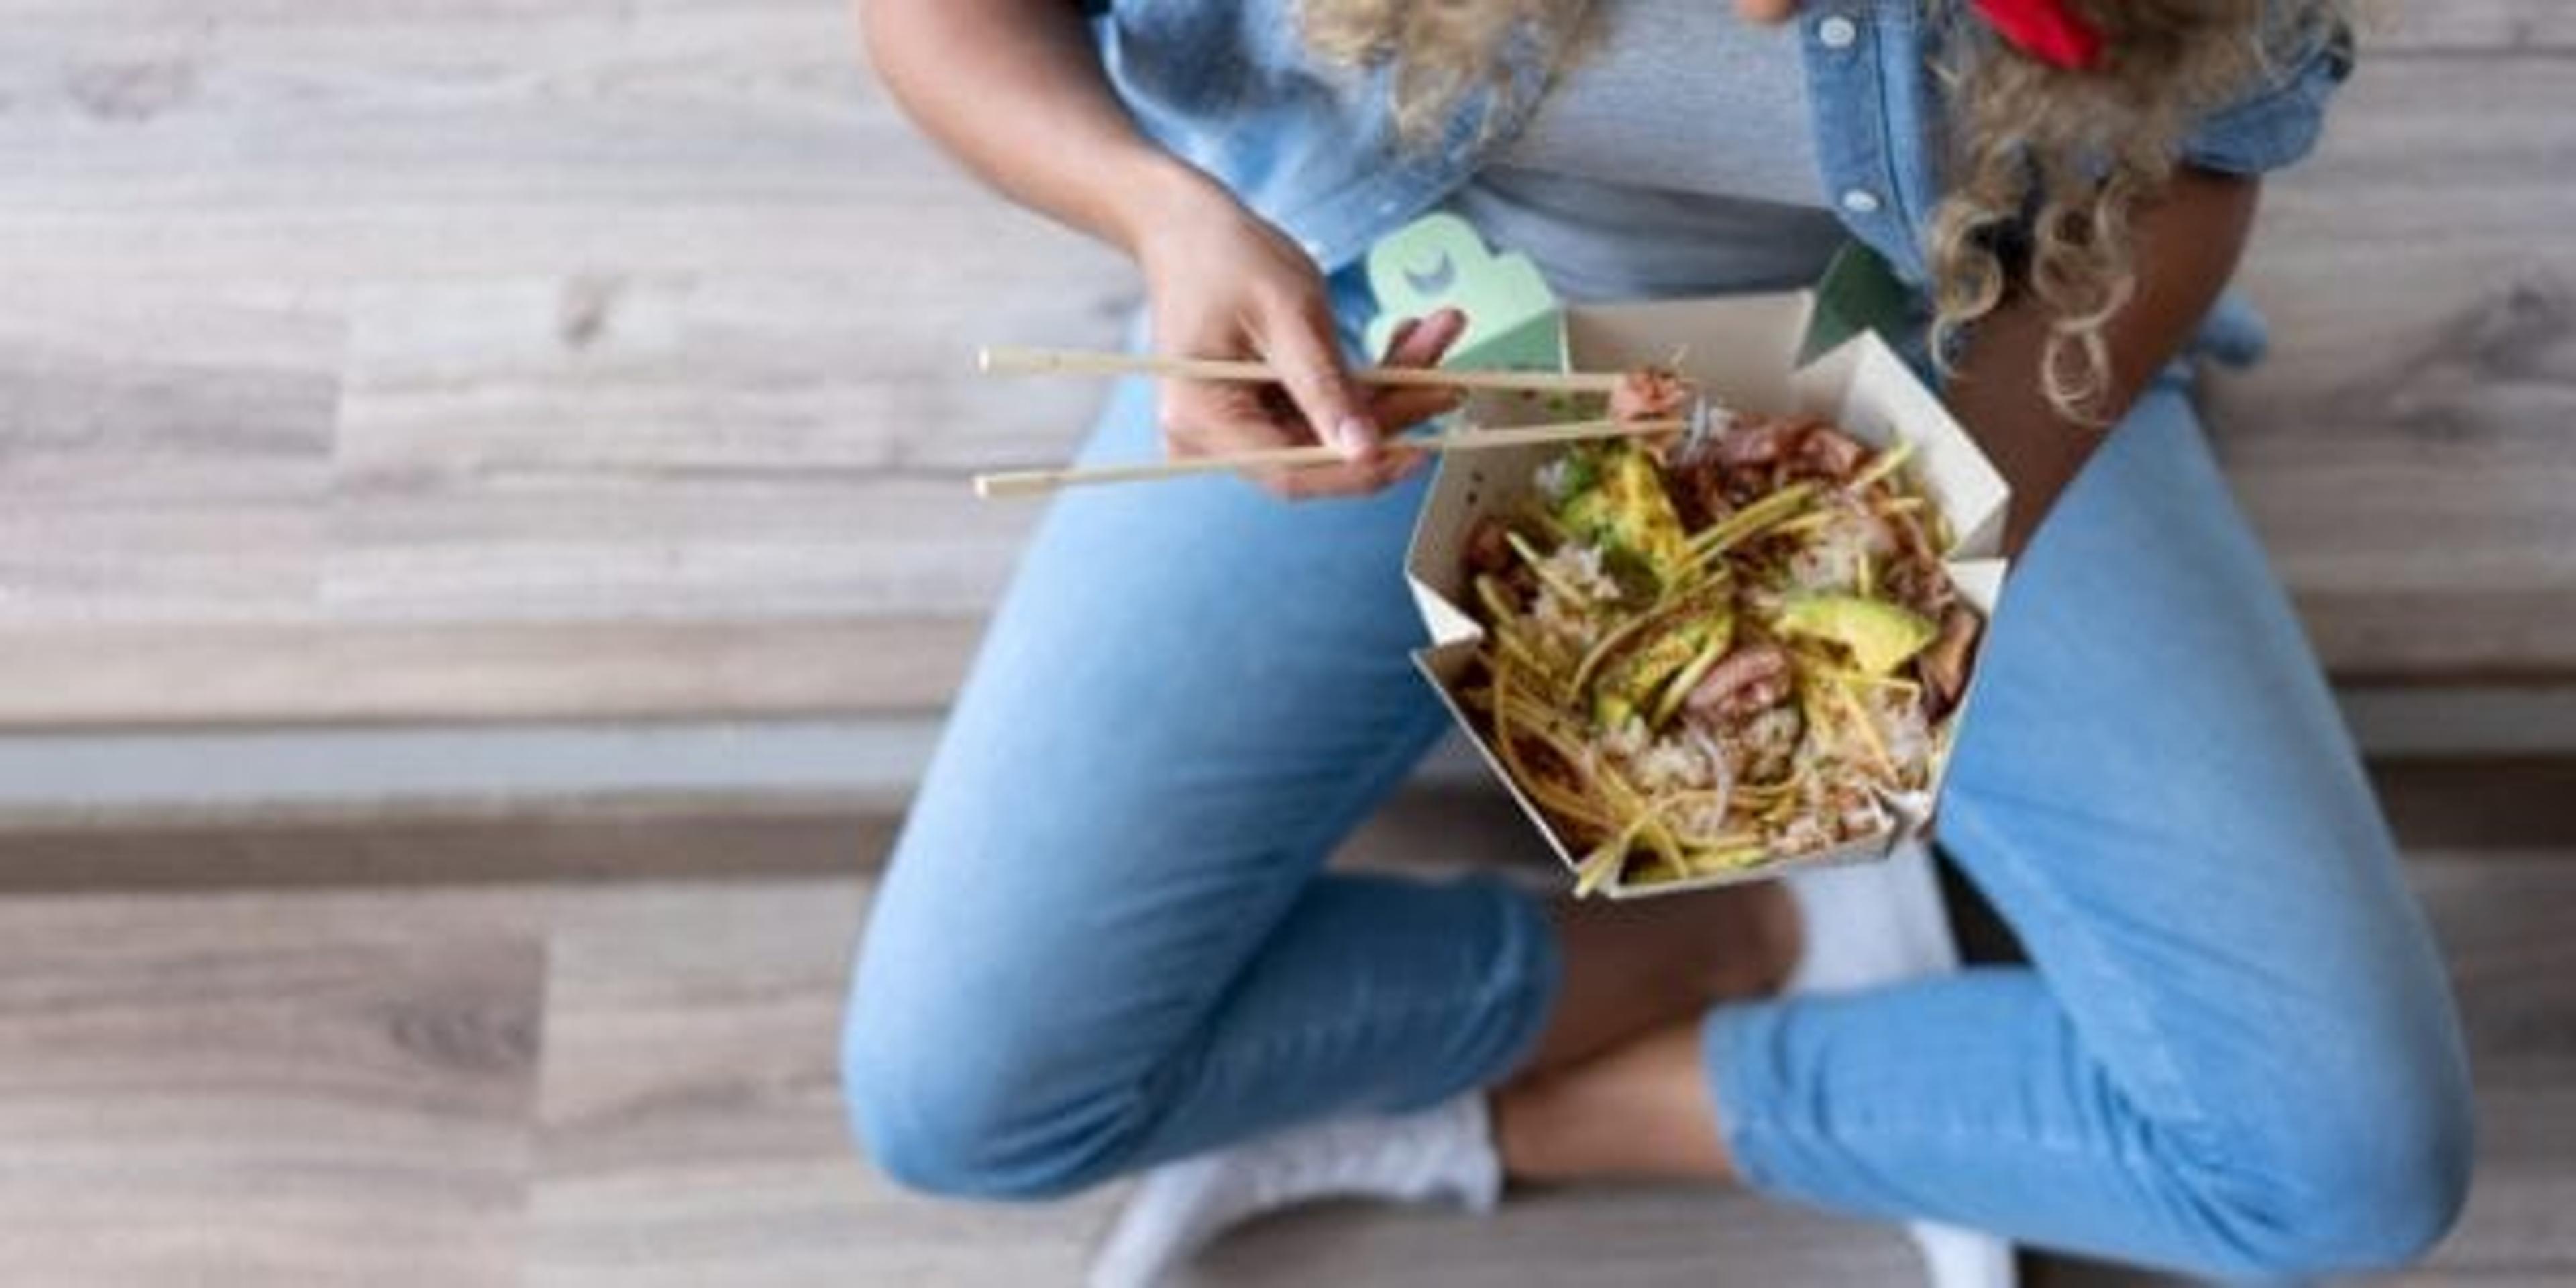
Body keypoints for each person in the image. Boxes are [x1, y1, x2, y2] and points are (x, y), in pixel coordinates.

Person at [841, 0, 2475, 1282]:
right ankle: (1745, 941)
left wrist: (1939, 532)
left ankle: (1559, 1110)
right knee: (966, 1098)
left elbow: (2198, 163)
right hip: (1390, 328)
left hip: (1957, 349)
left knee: (2343, 1165)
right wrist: (1165, 216)